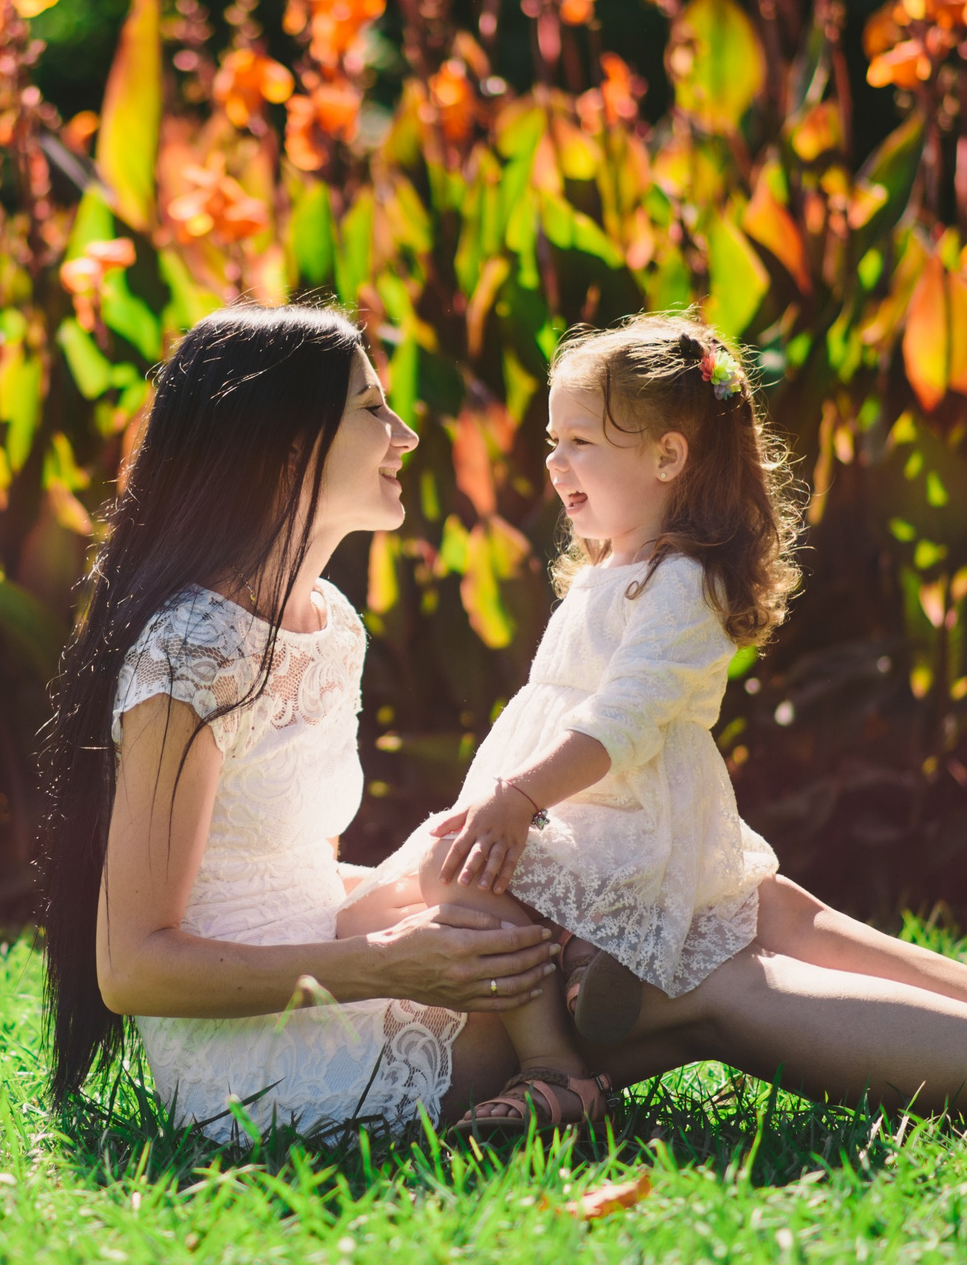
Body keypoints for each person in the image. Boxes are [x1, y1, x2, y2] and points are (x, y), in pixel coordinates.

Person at [37, 302, 967, 1144]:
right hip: (270, 1063)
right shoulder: (190, 654)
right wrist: (409, 960)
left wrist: (402, 898)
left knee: (761, 903)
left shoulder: (319, 621)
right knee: (708, 973)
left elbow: (272, 878)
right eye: (372, 411)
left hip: (358, 973)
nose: (403, 434)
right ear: (284, 452)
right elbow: (137, 966)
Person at [339, 316, 792, 1135]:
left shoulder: (679, 583)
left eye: (580, 441)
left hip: (627, 816)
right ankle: (582, 964)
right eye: (554, 440)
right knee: (445, 873)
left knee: (453, 868)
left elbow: (622, 723)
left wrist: (518, 796)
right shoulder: (608, 567)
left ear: (667, 456)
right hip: (581, 808)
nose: (554, 463)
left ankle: (557, 1067)